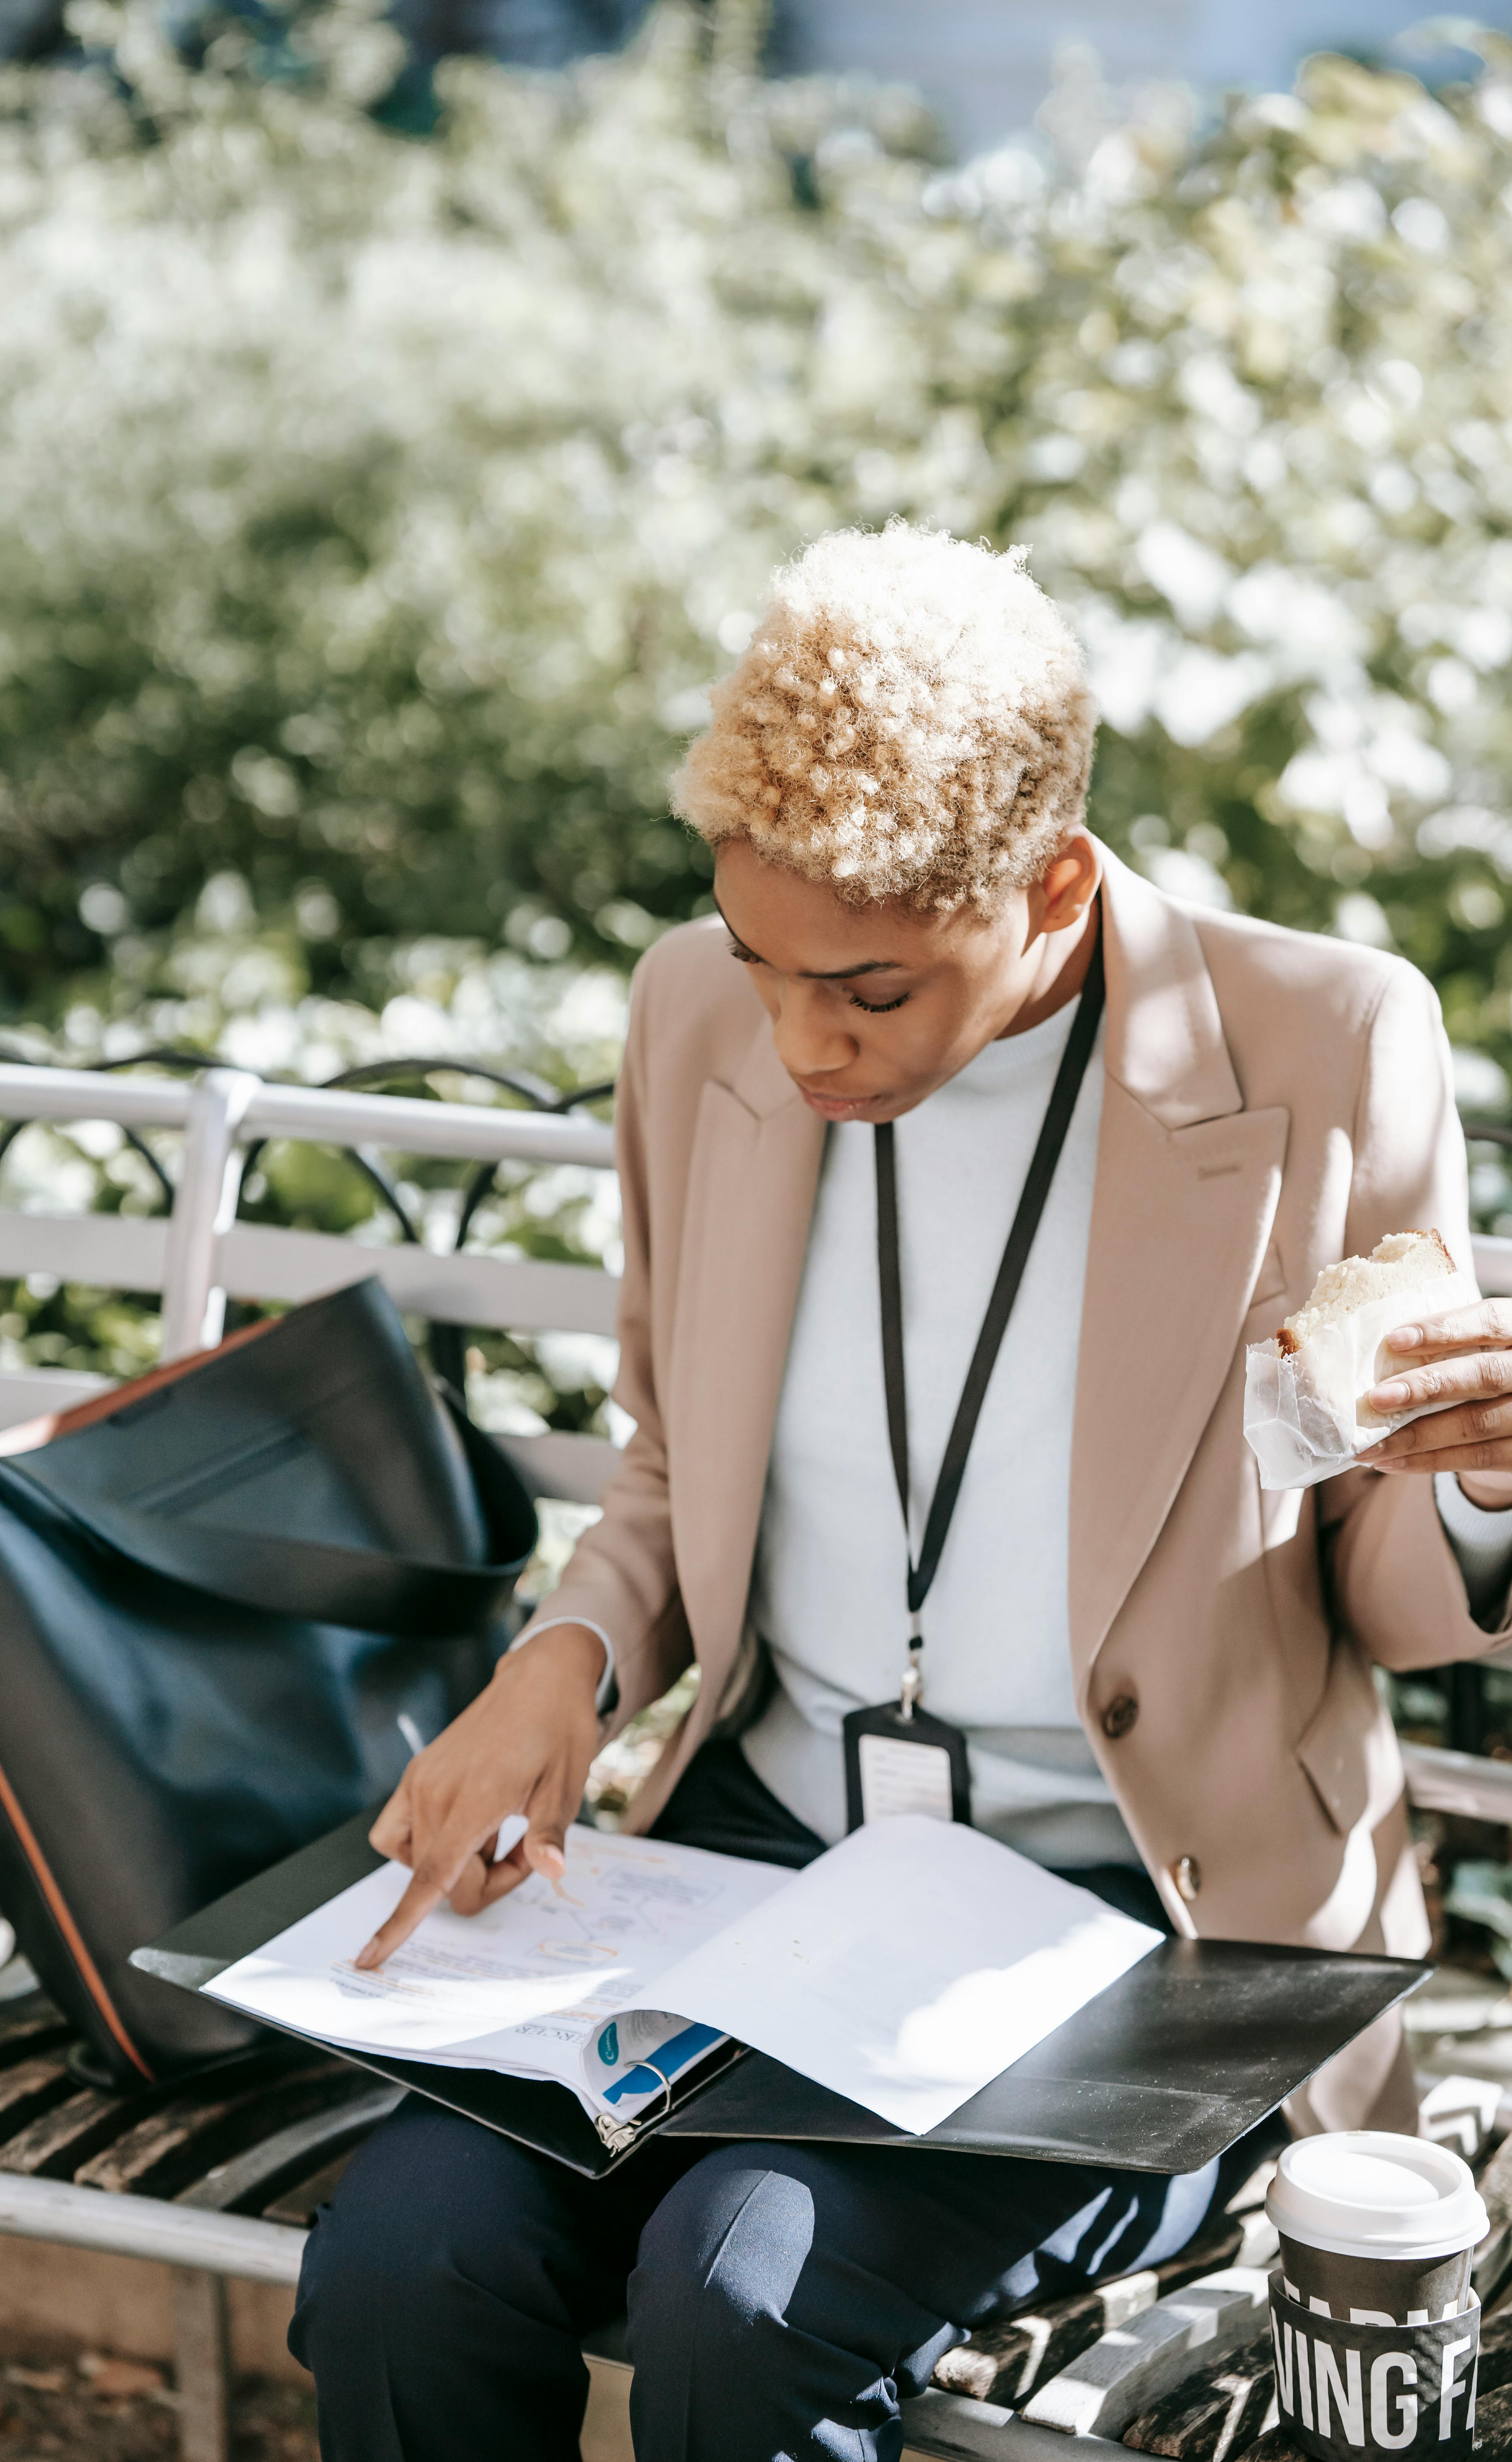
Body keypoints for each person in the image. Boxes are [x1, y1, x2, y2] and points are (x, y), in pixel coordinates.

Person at [291, 524, 1512, 2462]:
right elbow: (674, 1459)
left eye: (867, 987)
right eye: (763, 966)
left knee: (738, 2295)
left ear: (1052, 885)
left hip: (1154, 1918)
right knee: (399, 2262)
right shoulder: (692, 1012)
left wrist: (1486, 1493)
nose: (800, 1042)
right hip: (760, 1868)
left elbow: (1379, 1576)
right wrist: (565, 1660)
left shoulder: (1327, 1044)